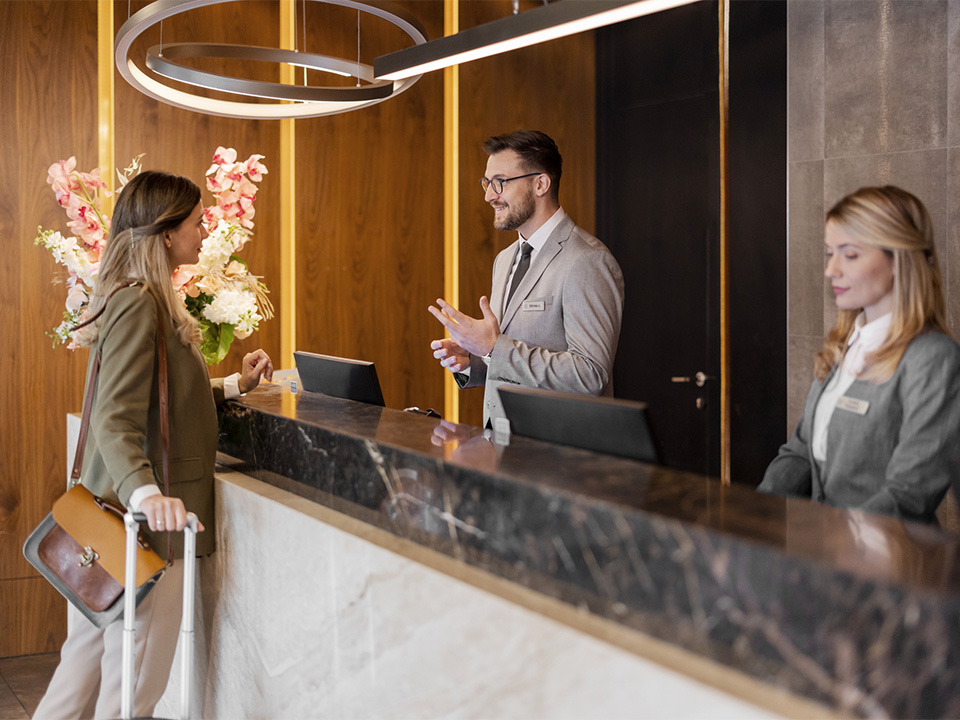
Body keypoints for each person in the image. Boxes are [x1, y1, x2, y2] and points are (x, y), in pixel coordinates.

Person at [34, 171, 273, 719]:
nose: (204, 227)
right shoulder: (141, 302)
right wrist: (145, 496)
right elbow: (113, 418)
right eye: (195, 219)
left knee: (78, 678)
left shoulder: (139, 297)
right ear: (165, 233)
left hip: (109, 525)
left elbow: (159, 402)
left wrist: (234, 386)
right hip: (141, 531)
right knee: (133, 694)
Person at [759, 185, 960, 524]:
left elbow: (908, 494)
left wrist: (839, 546)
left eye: (849, 255)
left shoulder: (933, 358)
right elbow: (799, 454)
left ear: (898, 259)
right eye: (829, 254)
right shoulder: (842, 346)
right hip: (823, 556)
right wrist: (753, 517)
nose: (831, 270)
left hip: (887, 565)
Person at [429, 130, 624, 427]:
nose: (488, 195)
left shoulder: (587, 260)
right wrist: (476, 361)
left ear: (541, 184)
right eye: (486, 183)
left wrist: (494, 348)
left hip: (560, 457)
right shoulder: (505, 259)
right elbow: (511, 357)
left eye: (500, 183)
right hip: (504, 445)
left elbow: (590, 374)